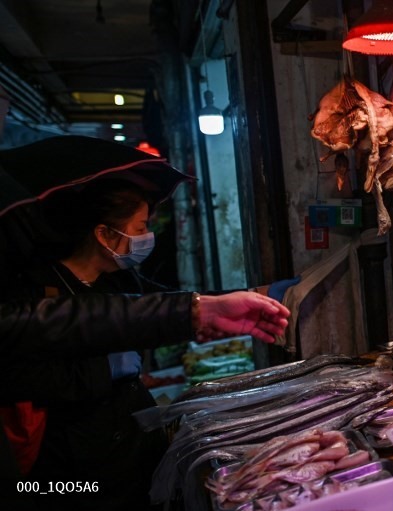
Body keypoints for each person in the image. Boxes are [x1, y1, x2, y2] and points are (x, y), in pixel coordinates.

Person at [0, 179, 289, 510]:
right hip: (72, 465)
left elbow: (164, 305)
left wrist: (255, 295)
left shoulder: (118, 278)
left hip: (129, 446)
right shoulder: (38, 292)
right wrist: (104, 369)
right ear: (104, 234)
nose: (147, 236)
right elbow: (24, 377)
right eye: (140, 227)